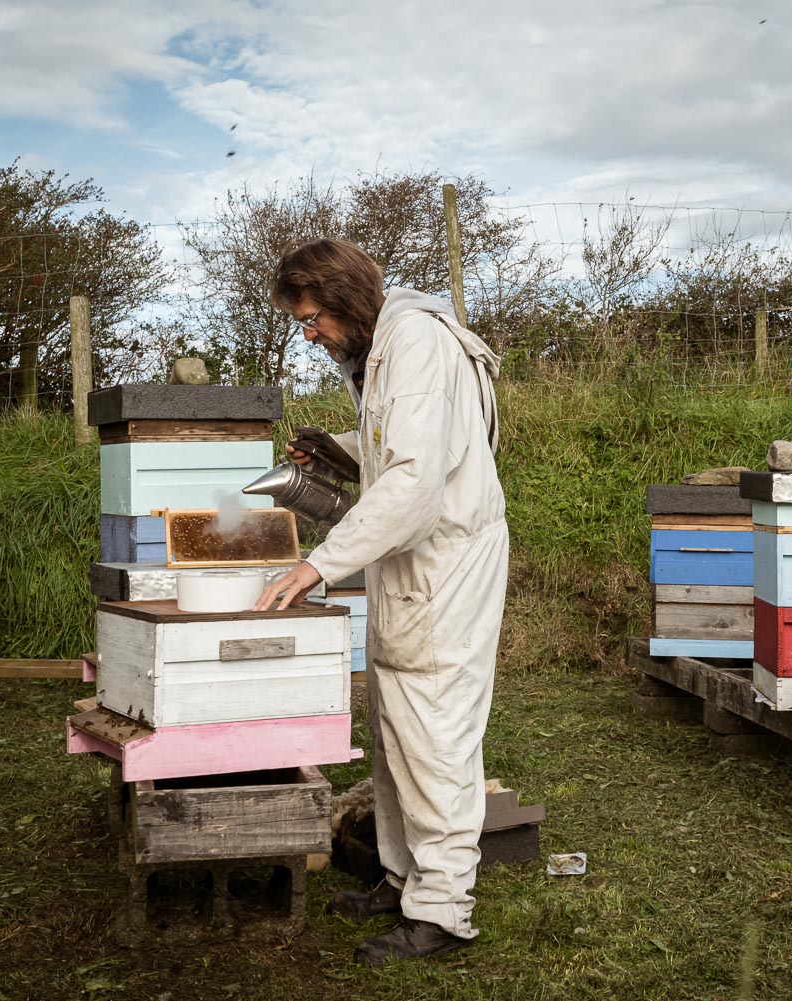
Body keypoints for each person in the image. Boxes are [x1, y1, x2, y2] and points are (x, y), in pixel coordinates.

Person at [254, 238, 509, 968]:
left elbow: (414, 484)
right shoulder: (385, 345)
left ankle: (442, 910)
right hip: (412, 559)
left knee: (434, 733)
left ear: (346, 299)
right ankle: (403, 878)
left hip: (445, 561)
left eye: (311, 318)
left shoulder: (418, 344)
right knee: (395, 726)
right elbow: (406, 448)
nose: (307, 334)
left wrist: (317, 566)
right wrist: (341, 449)